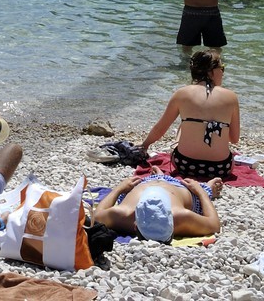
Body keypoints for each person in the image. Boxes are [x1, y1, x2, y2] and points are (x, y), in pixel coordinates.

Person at [138, 50, 240, 180]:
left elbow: (160, 129)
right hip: (221, 168)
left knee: (184, 124)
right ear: (211, 71)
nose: (223, 73)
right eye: (222, 68)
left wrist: (145, 145)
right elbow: (234, 138)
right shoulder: (231, 97)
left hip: (185, 164)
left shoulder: (182, 94)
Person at [92, 175, 222, 241]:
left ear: (135, 225)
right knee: (203, 192)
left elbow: (96, 216)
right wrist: (201, 192)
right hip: (180, 187)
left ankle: (159, 174)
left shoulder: (123, 214)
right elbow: (214, 224)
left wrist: (120, 188)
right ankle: (208, 188)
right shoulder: (181, 216)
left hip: (146, 181)